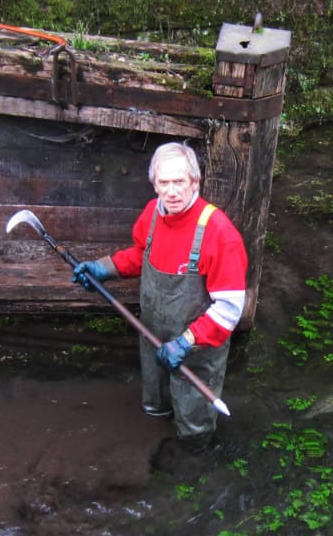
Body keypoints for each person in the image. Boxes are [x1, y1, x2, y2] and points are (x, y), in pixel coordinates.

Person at [73, 141, 248, 446]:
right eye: (164, 183)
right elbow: (143, 254)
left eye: (180, 182)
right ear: (154, 184)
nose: (172, 192)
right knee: (155, 407)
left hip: (197, 348)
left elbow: (230, 308)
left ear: (195, 182)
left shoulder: (220, 234)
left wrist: (186, 342)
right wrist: (104, 268)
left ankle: (195, 464)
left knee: (194, 428)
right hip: (153, 335)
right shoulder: (153, 213)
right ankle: (153, 452)